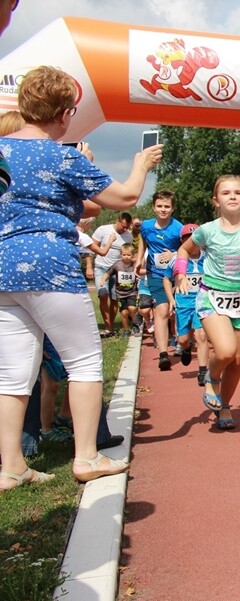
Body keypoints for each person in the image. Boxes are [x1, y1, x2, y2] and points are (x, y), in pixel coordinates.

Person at [0, 65, 161, 491]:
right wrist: (141, 164)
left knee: (12, 373)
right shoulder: (62, 156)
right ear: (65, 113)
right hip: (50, 265)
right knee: (84, 362)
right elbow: (125, 197)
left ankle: (11, 466)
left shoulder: (1, 151)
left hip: (4, 267)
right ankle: (87, 456)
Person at [174, 175, 240, 431]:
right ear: (215, 200)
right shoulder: (207, 230)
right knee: (226, 351)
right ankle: (212, 376)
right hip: (212, 297)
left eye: (238, 192)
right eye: (226, 193)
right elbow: (184, 250)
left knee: (236, 361)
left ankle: (224, 406)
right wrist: (180, 274)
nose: (232, 196)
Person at [137, 190, 184, 371]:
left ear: (172, 209)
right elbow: (143, 243)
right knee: (162, 310)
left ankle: (183, 342)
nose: (163, 209)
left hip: (177, 275)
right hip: (155, 274)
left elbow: (188, 249)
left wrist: (174, 254)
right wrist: (139, 260)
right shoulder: (146, 226)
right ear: (153, 207)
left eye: (167, 206)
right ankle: (163, 354)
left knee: (178, 311)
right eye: (160, 206)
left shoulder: (178, 228)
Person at [164, 225, 209, 381]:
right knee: (182, 339)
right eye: (187, 239)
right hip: (183, 303)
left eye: (195, 239)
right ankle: (186, 348)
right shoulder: (177, 259)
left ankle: (202, 371)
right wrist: (171, 299)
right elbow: (166, 279)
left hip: (202, 302)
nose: (192, 243)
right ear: (182, 241)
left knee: (201, 335)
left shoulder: (207, 258)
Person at [92, 212, 134, 336]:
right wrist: (88, 266)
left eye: (127, 227)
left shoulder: (129, 236)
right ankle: (108, 326)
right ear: (117, 221)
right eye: (123, 226)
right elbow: (91, 247)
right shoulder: (103, 230)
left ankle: (110, 325)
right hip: (101, 267)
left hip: (117, 270)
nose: (125, 229)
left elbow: (128, 253)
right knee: (103, 294)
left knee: (114, 298)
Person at [100, 242, 140, 337]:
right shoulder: (117, 265)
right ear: (121, 254)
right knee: (124, 313)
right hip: (120, 293)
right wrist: (103, 280)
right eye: (124, 255)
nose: (126, 257)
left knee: (132, 308)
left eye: (128, 255)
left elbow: (140, 274)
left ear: (132, 255)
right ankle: (126, 330)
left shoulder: (135, 265)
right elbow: (108, 273)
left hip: (132, 292)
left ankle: (135, 324)